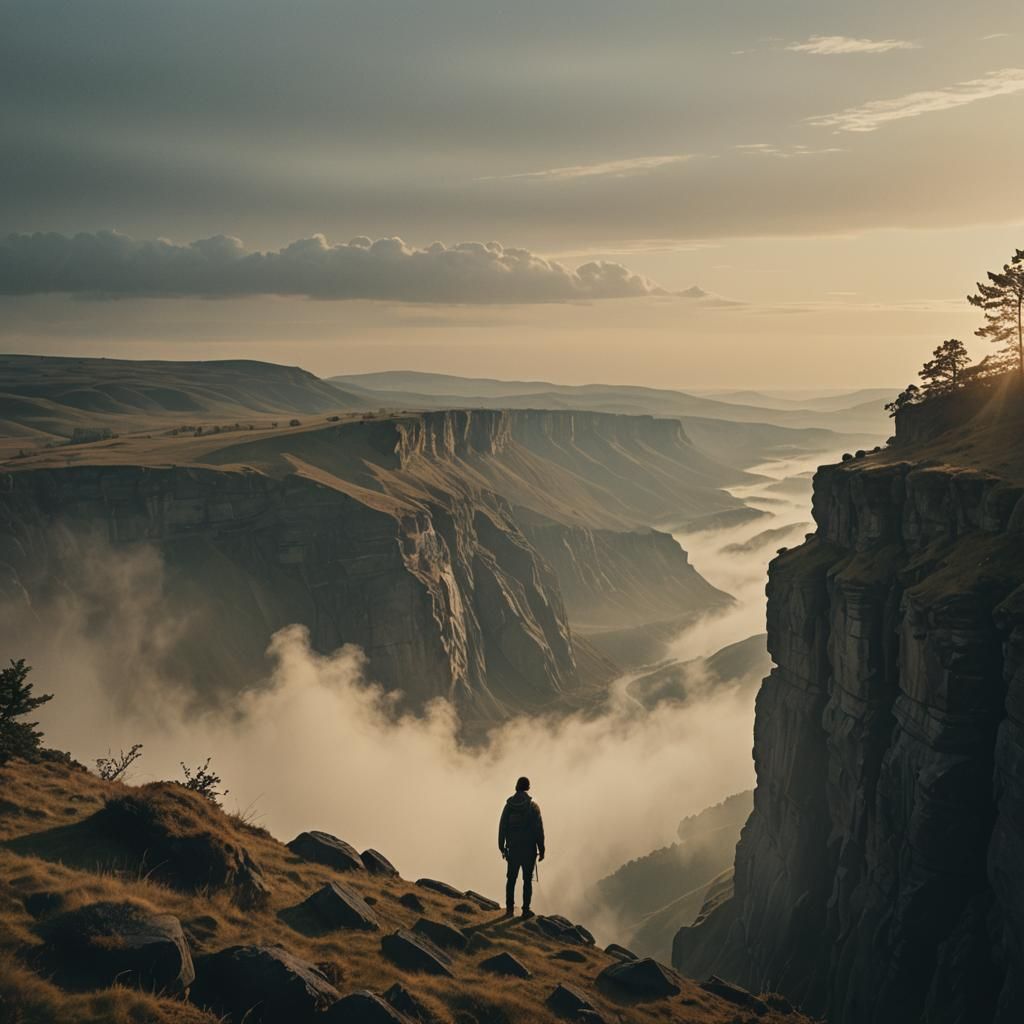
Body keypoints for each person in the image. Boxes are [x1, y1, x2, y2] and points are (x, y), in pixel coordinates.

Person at [498, 776, 545, 918]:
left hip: (513, 849)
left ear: (516, 787)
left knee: (511, 879)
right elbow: (539, 830)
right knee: (527, 881)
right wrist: (541, 849)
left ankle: (509, 910)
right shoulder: (533, 807)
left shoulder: (509, 806)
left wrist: (502, 847)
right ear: (528, 788)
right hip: (529, 850)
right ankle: (525, 910)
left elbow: (502, 828)